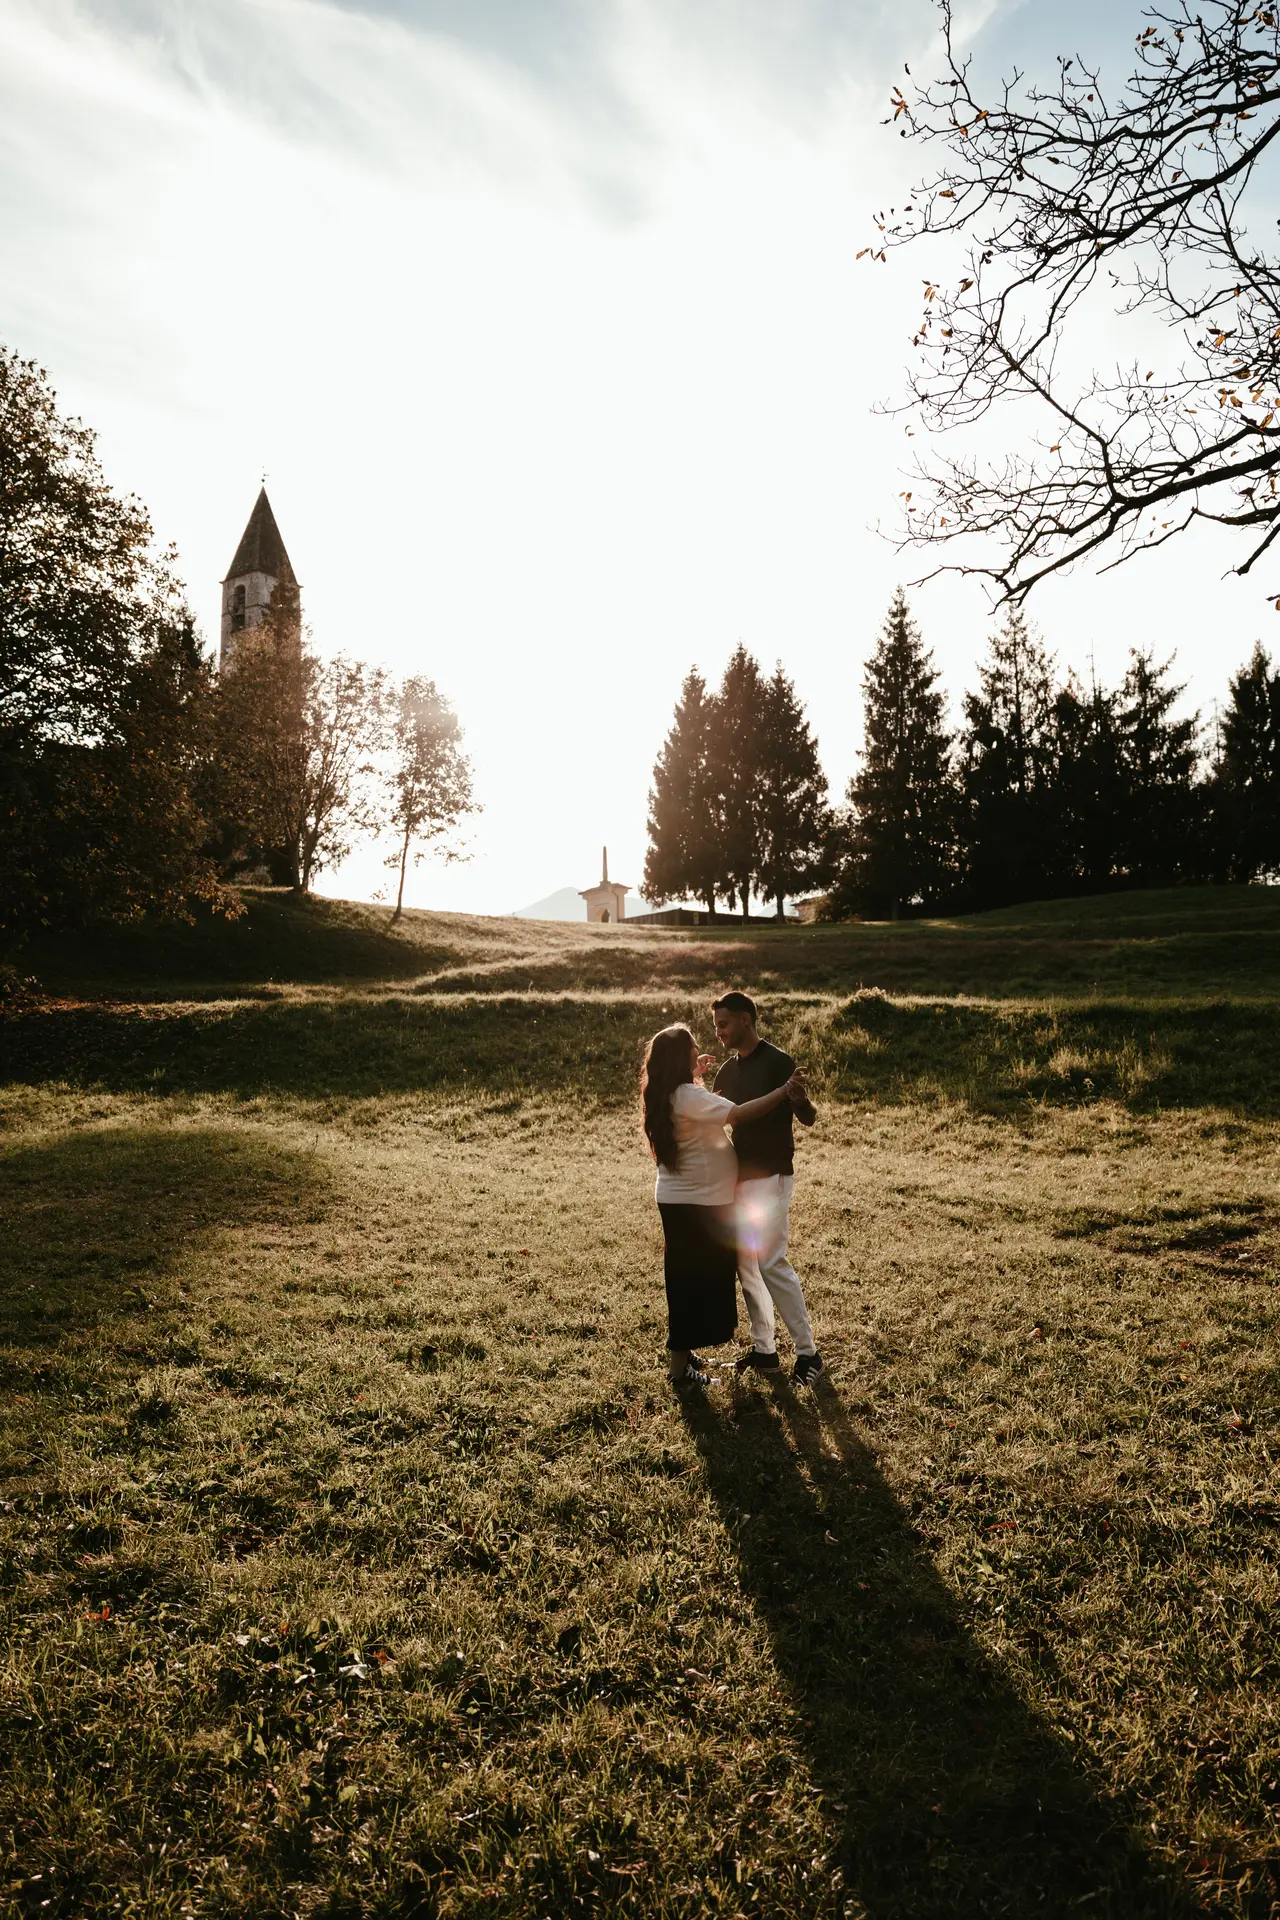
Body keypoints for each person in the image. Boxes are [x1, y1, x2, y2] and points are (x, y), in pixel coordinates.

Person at [640, 1024, 808, 1386]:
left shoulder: (666, 1091)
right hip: (697, 1203)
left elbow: (691, 1104)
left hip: (685, 1200)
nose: (701, 1047)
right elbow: (739, 1114)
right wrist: (782, 1092)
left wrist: (691, 1074)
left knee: (687, 1279)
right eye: (693, 1048)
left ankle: (684, 1357)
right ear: (679, 1059)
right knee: (691, 1283)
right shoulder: (687, 1096)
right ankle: (679, 1371)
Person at [711, 991, 824, 1385]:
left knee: (771, 1261)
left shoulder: (779, 1063)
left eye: (723, 1024)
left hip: (773, 1177)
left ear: (746, 1020)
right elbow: (711, 1119)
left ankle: (809, 1354)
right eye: (715, 1027)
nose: (719, 1032)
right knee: (746, 1265)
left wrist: (802, 1100)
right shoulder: (725, 1072)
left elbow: (807, 1118)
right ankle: (764, 1350)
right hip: (738, 1181)